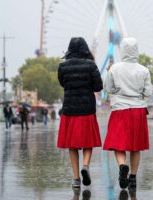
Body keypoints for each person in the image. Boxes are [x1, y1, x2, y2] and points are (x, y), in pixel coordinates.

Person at [103, 38, 152, 191]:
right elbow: (148, 93)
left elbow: (109, 89)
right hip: (138, 110)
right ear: (136, 50)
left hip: (120, 109)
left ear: (122, 50)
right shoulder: (144, 70)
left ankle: (122, 165)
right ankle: (133, 177)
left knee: (119, 144)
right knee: (135, 147)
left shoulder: (114, 68)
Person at [57, 37, 103, 189]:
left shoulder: (62, 66)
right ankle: (86, 165)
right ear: (85, 49)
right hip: (87, 109)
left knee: (72, 145)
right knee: (87, 141)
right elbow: (98, 87)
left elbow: (63, 83)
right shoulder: (90, 65)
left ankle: (76, 178)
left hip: (70, 109)